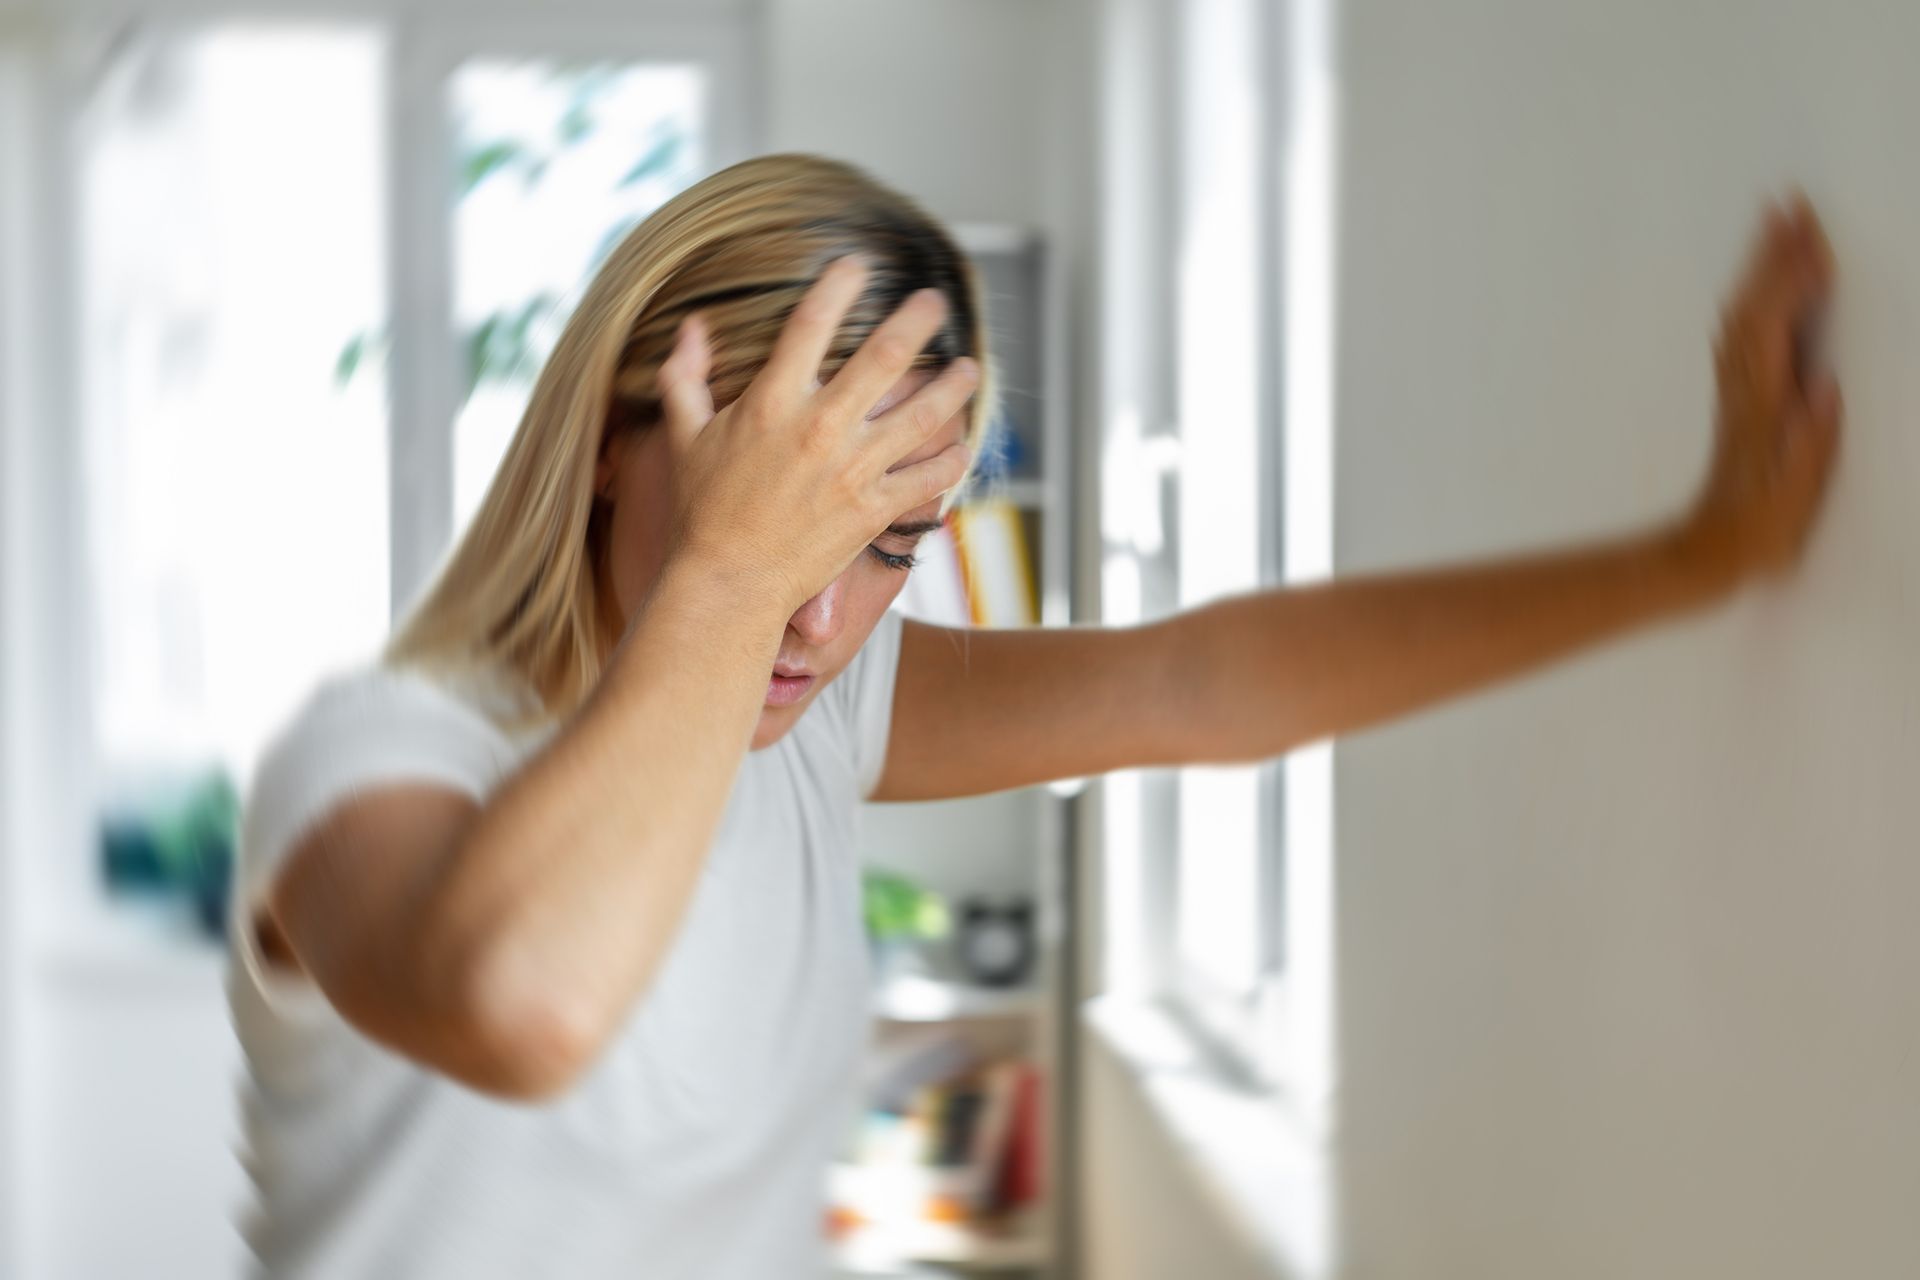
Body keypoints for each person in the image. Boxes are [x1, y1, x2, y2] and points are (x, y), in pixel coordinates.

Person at [228, 153, 1839, 1278]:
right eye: (773, 518)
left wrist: (1698, 555)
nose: (816, 617)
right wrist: (729, 568)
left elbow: (1206, 682)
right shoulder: (370, 762)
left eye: (887, 546)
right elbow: (528, 1003)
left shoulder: (813, 716)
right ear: (607, 440)